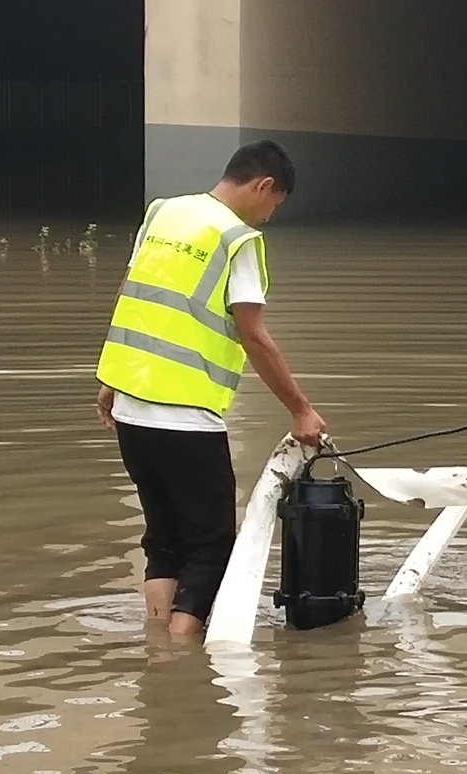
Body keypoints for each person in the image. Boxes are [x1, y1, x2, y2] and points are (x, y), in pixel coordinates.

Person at [94, 140, 327, 638]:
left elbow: (129, 295)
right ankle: (180, 659)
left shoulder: (163, 213)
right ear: (264, 186)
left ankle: (157, 640)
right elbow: (254, 336)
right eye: (274, 204)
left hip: (131, 408)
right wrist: (301, 410)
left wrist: (111, 377)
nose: (268, 217)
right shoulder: (237, 240)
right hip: (185, 414)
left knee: (164, 537)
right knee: (212, 541)